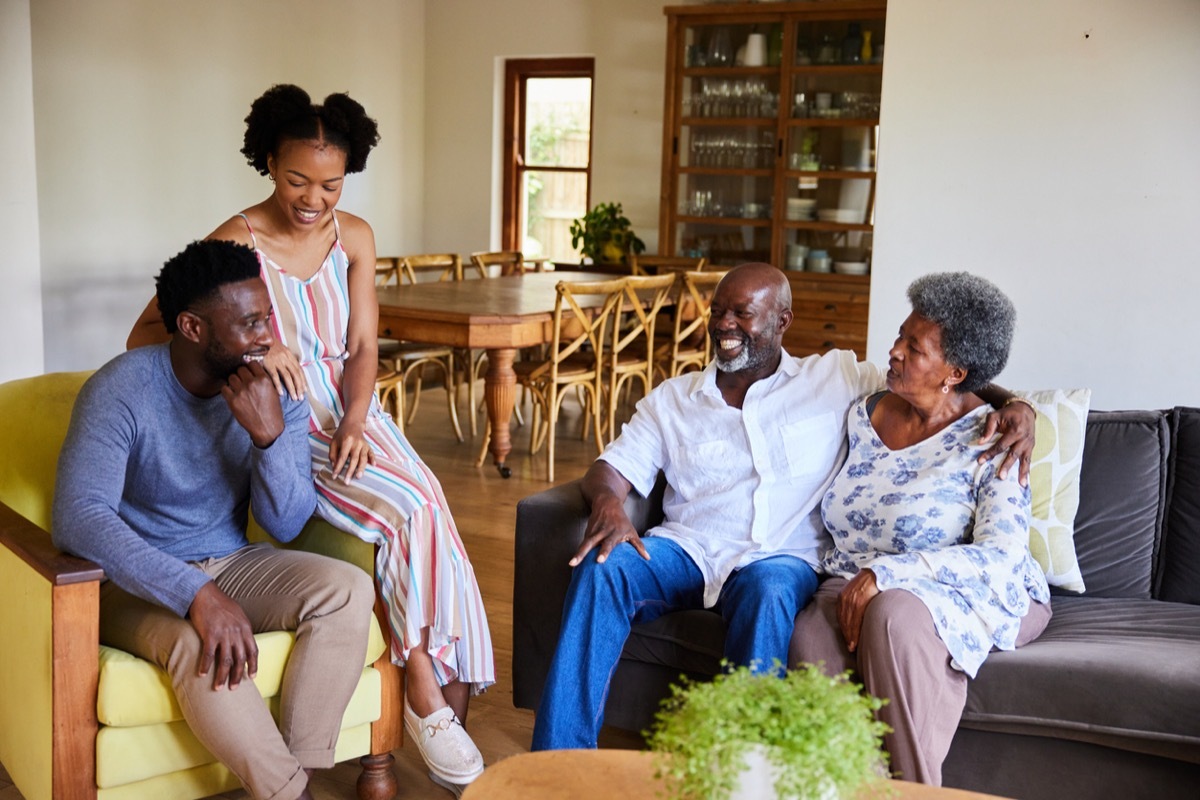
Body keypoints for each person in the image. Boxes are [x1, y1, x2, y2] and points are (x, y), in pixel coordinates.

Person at [127, 84, 492, 795]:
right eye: (297, 179)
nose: (314, 198)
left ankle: (430, 684)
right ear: (267, 161)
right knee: (401, 511)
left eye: (331, 183)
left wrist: (358, 419)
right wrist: (252, 358)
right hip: (284, 420)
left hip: (352, 412)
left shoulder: (353, 235)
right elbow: (152, 333)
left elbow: (361, 347)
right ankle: (427, 690)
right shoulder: (236, 240)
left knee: (428, 499)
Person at [531, 262, 1038, 751]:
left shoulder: (836, 377)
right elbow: (611, 468)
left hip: (780, 558)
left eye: (742, 314)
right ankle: (557, 762)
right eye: (718, 312)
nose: (725, 325)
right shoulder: (673, 400)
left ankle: (739, 770)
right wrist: (608, 505)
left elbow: (937, 379)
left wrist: (1016, 405)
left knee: (769, 591)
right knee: (604, 567)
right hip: (687, 550)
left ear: (782, 322)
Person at [53, 239, 375, 800]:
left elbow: (287, 523)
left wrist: (269, 438)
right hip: (132, 583)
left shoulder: (276, 391)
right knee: (199, 642)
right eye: (250, 323)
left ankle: (293, 778)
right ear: (193, 327)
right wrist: (194, 593)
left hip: (231, 561)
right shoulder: (121, 389)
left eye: (267, 316)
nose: (267, 336)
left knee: (347, 589)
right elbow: (79, 518)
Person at [790, 272, 1051, 786]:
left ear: (954, 373)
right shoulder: (863, 413)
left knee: (892, 616)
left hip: (972, 589)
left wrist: (888, 573)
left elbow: (1000, 556)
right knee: (810, 632)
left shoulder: (993, 438)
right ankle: (837, 789)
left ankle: (915, 791)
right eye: (900, 336)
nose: (894, 351)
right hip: (856, 579)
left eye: (914, 347)